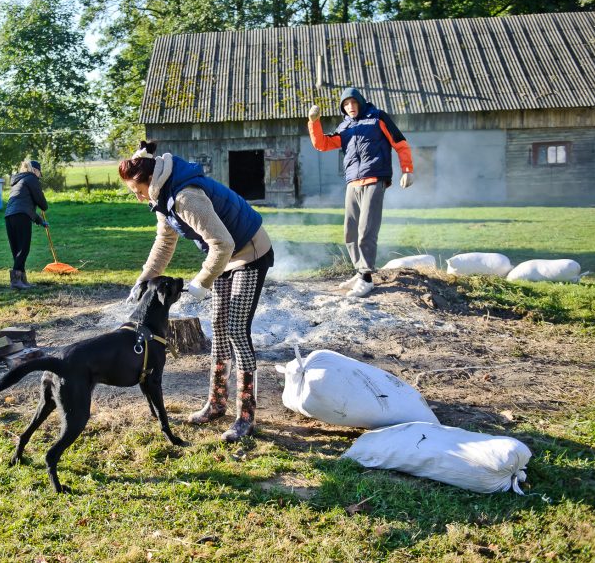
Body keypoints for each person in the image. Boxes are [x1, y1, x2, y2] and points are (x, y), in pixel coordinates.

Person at [119, 141, 274, 442]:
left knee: (236, 329)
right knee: (217, 325)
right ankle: (216, 403)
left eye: (135, 190)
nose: (136, 197)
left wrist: (201, 282)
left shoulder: (185, 198)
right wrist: (143, 278)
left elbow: (223, 244)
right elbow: (165, 243)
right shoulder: (162, 197)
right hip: (225, 256)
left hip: (249, 251)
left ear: (149, 180)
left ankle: (245, 415)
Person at [307, 87, 414, 297]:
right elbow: (323, 144)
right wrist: (314, 122)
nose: (350, 107)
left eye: (353, 103)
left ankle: (366, 279)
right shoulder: (345, 126)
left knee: (367, 229)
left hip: (375, 179)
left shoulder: (377, 117)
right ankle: (359, 271)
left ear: (361, 102)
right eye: (346, 104)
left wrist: (407, 170)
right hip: (353, 182)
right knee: (350, 231)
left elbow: (400, 143)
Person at [4, 159, 49, 290]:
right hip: (21, 216)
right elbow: (42, 204)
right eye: (39, 173)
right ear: (35, 170)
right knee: (23, 248)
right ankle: (16, 281)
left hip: (9, 216)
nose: (39, 177)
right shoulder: (32, 178)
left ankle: (22, 280)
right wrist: (43, 202)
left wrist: (40, 221)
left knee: (17, 249)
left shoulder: (18, 181)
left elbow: (24, 206)